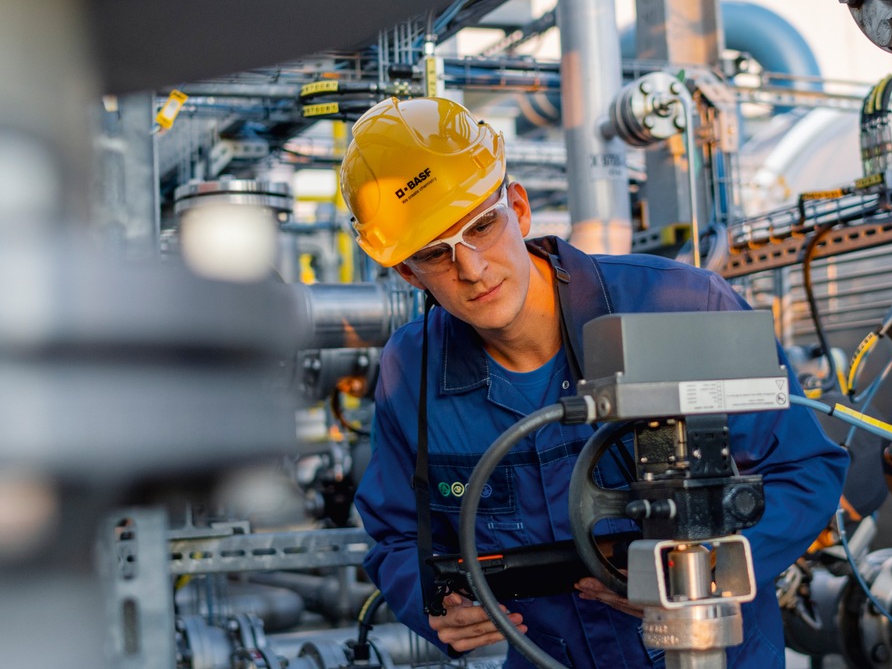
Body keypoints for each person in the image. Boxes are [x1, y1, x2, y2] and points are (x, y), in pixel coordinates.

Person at [343, 97, 848, 669]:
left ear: (518, 206)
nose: (472, 269)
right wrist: (432, 601)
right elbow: (396, 534)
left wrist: (701, 572)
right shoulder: (412, 371)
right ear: (407, 271)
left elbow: (806, 469)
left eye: (481, 227)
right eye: (436, 254)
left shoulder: (679, 305)